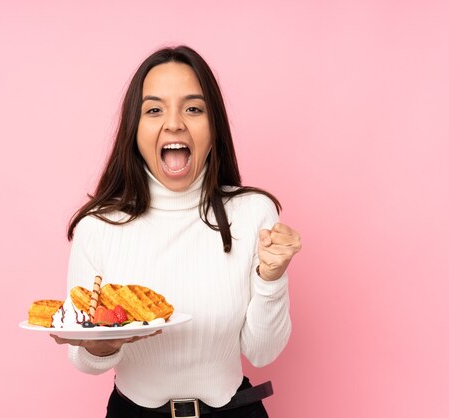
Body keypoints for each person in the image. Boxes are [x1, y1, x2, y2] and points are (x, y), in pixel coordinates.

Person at [50, 45, 301, 418]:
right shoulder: (99, 226)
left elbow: (263, 352)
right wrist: (99, 344)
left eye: (193, 108)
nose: (174, 123)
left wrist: (272, 278)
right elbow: (84, 361)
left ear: (213, 127)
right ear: (134, 129)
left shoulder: (252, 213)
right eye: (154, 110)